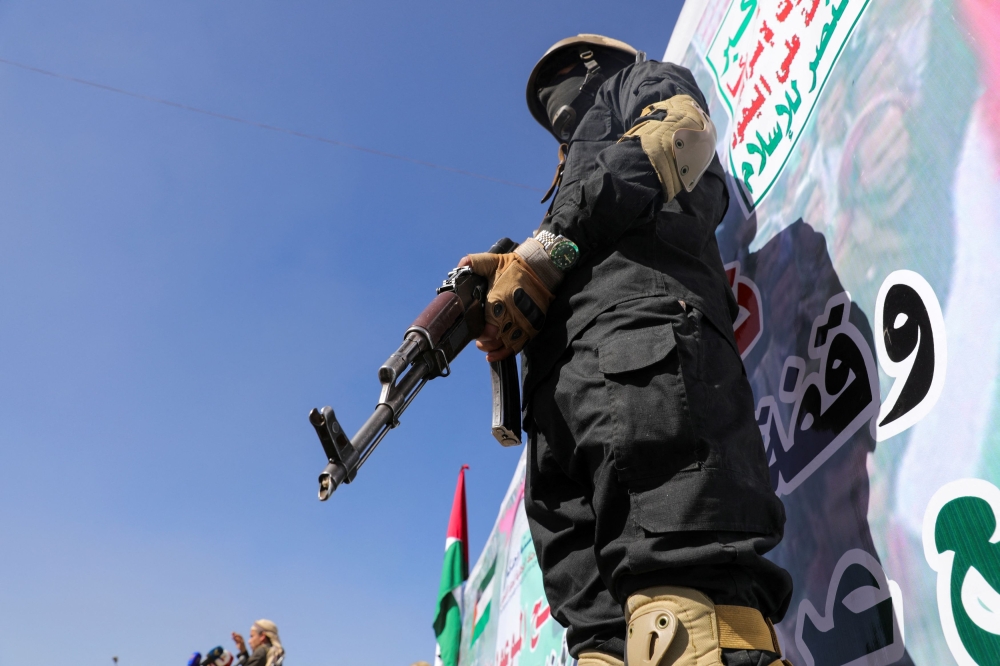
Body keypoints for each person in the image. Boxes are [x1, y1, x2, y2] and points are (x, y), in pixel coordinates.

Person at [461, 35, 794, 666]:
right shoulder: (562, 186)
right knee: (600, 642)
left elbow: (682, 133)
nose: (554, 89)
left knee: (686, 615)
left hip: (644, 359)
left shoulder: (639, 87)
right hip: (564, 415)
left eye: (567, 70)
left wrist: (545, 251)